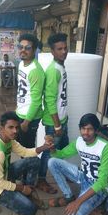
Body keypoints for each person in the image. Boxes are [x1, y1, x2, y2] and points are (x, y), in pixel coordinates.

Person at [0, 111, 52, 215]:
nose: (15, 131)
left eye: (17, 127)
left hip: (4, 172)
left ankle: (28, 192)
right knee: (31, 210)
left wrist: (44, 147)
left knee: (35, 161)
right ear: (2, 128)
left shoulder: (8, 139)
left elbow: (25, 152)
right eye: (10, 127)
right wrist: (21, 188)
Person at [48, 113, 108, 215]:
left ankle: (95, 203)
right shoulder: (79, 141)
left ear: (96, 130)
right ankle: (69, 196)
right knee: (52, 162)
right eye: (83, 129)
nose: (86, 133)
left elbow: (103, 182)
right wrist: (52, 148)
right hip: (83, 175)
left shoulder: (106, 147)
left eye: (90, 129)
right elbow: (59, 155)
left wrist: (78, 202)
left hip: (98, 186)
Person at [37, 33, 69, 195]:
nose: (64, 51)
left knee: (63, 148)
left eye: (65, 48)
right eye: (60, 49)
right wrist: (57, 125)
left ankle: (63, 172)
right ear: (52, 51)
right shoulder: (52, 71)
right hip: (54, 123)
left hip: (63, 120)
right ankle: (41, 180)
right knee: (48, 152)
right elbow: (49, 101)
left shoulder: (61, 66)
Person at [16, 33, 45, 149]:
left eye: (27, 48)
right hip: (21, 112)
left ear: (34, 50)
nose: (23, 50)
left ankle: (32, 167)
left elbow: (37, 101)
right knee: (20, 147)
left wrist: (26, 122)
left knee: (27, 150)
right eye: (20, 47)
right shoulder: (22, 64)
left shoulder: (35, 71)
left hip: (29, 118)